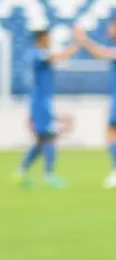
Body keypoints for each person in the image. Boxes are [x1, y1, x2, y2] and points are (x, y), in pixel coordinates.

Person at [75, 20, 116, 188]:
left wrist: (84, 40)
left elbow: (102, 54)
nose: (109, 30)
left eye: (112, 27)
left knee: (112, 132)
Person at [13, 29, 77, 188]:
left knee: (41, 140)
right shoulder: (37, 54)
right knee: (49, 137)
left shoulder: (37, 54)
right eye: (48, 38)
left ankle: (21, 172)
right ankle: (49, 176)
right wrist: (76, 45)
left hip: (41, 101)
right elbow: (57, 57)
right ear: (41, 39)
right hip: (40, 102)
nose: (50, 41)